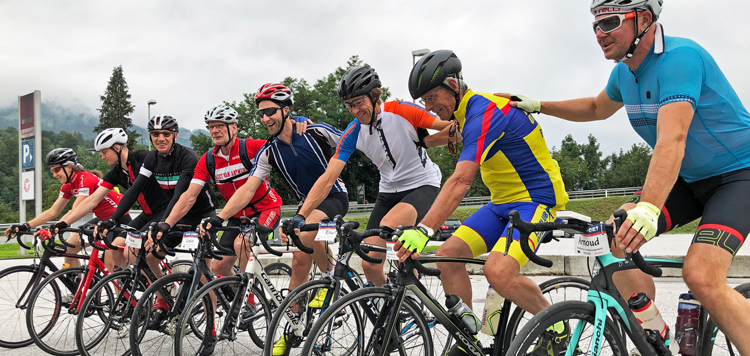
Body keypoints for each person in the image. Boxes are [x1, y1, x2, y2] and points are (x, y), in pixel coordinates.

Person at [500, 0, 750, 353]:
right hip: (689, 177)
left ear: (644, 18)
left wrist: (648, 207)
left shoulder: (681, 58)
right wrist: (540, 105)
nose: (600, 35)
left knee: (702, 276)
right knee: (616, 238)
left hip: (738, 174)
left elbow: (672, 139)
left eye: (610, 23)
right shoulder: (623, 73)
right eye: (595, 26)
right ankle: (656, 335)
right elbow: (595, 108)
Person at [395, 49, 569, 355]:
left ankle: (557, 328)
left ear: (453, 84)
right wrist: (406, 132)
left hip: (537, 200)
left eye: (432, 96)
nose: (429, 105)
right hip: (502, 204)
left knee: (499, 272)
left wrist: (424, 229)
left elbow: (461, 181)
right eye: (424, 100)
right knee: (448, 255)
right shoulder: (466, 115)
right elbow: (444, 135)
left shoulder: (485, 111)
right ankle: (467, 340)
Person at [293, 65, 452, 287]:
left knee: (390, 226)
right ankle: (390, 314)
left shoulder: (400, 110)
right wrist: (301, 215)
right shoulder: (353, 131)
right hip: (388, 191)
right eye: (349, 105)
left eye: (359, 103)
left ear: (374, 95)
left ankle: (416, 303)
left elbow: (448, 126)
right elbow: (328, 178)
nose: (355, 111)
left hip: (422, 184)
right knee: (370, 263)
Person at [221, 83, 346, 355]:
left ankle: (330, 282)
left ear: (286, 110)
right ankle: (293, 326)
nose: (265, 118)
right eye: (261, 114)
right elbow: (248, 189)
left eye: (270, 112)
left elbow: (353, 138)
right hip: (306, 205)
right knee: (299, 261)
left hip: (335, 196)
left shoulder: (313, 131)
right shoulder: (269, 150)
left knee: (307, 234)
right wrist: (220, 217)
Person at [97, 116, 219, 323]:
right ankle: (164, 299)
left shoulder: (187, 156)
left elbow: (181, 194)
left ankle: (210, 328)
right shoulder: (151, 159)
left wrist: (165, 223)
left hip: (201, 215)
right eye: (155, 134)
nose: (161, 138)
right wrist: (113, 220)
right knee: (149, 256)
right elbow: (134, 191)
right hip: (176, 215)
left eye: (166, 134)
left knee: (202, 272)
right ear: (151, 137)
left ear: (175, 135)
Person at [56, 128, 171, 271]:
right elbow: (93, 199)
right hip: (147, 215)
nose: (102, 157)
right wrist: (63, 223)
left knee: (131, 251)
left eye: (104, 152)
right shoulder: (117, 172)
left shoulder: (142, 158)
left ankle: (161, 288)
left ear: (117, 148)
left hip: (164, 212)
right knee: (117, 246)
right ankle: (124, 288)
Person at [5, 148, 130, 274]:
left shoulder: (85, 179)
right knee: (69, 250)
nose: (54, 174)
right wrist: (26, 225)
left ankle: (120, 293)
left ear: (69, 167)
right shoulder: (68, 186)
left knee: (110, 260)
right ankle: (78, 291)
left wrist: (54, 228)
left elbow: (76, 210)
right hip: (100, 219)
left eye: (56, 169)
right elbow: (53, 211)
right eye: (52, 170)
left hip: (117, 219)